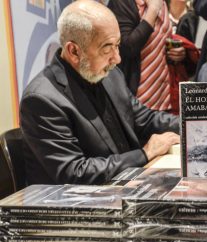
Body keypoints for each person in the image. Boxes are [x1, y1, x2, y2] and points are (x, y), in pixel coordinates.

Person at [19, 0, 180, 185]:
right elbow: (75, 172)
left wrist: (191, 123)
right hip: (78, 205)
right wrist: (145, 153)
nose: (117, 59)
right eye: (107, 48)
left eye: (117, 45)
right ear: (74, 51)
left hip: (122, 187)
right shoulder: (42, 100)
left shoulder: (110, 75)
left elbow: (144, 119)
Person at [107, 0, 186, 111]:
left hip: (163, 93)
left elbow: (161, 38)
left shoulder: (162, 2)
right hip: (137, 94)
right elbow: (128, 48)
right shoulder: (121, 2)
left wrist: (177, 53)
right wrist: (152, 11)